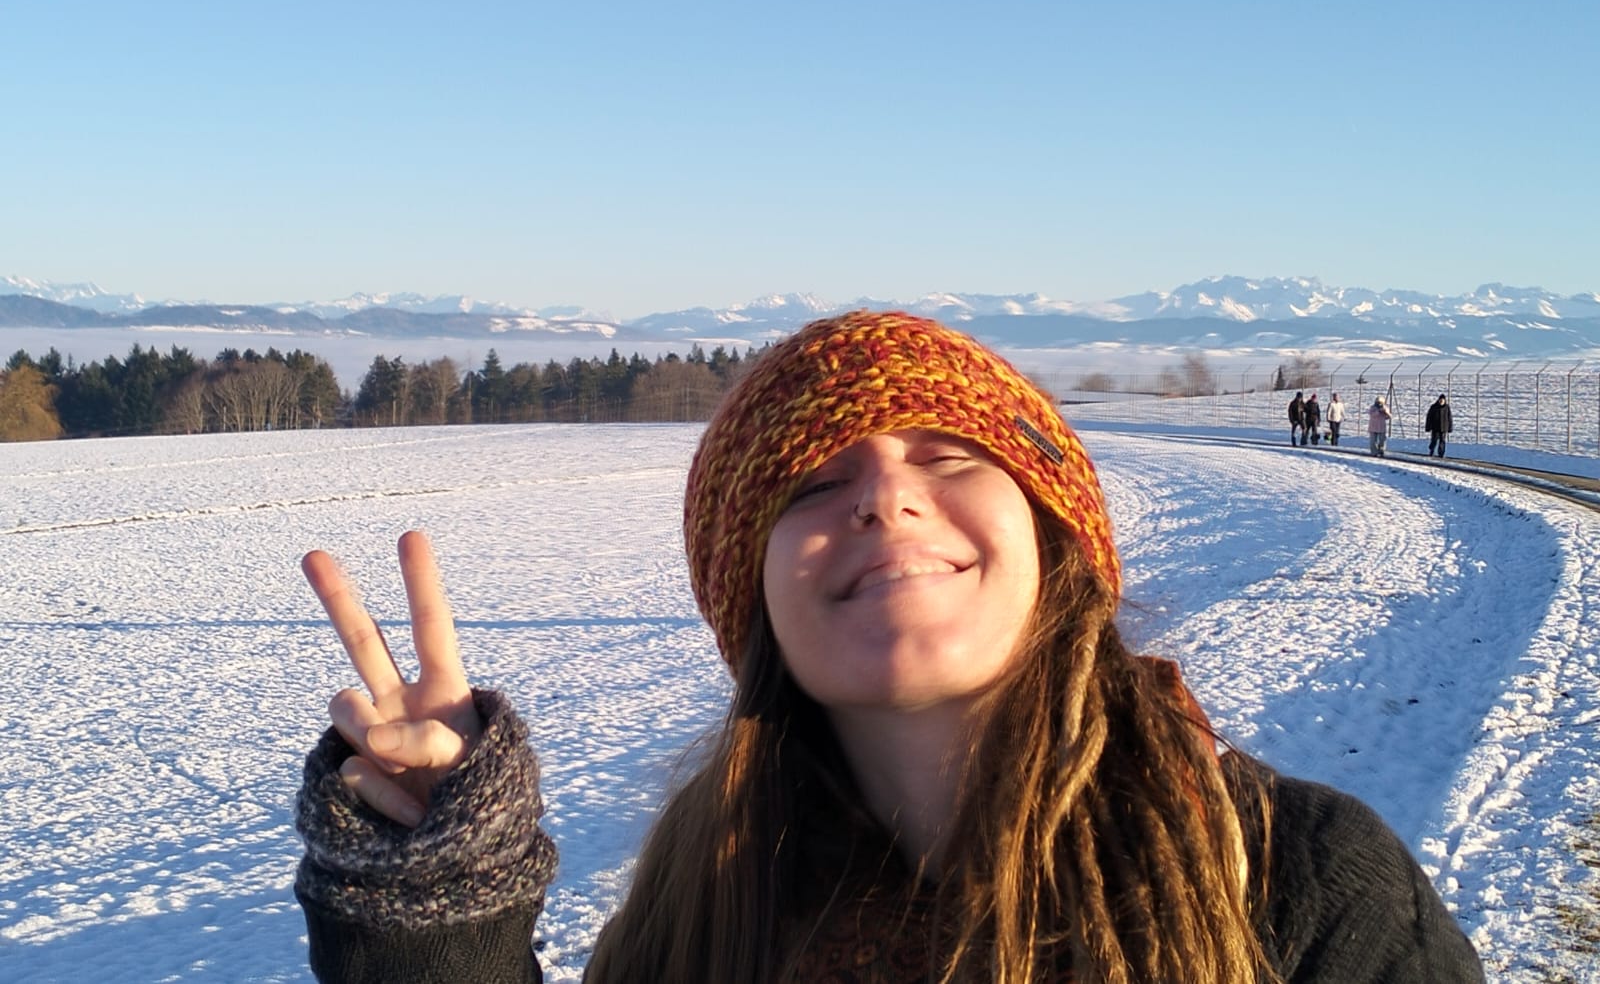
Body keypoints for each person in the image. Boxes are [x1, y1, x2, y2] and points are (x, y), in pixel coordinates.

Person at [293, 311, 1484, 983]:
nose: (885, 497)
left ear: (1055, 540)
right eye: (814, 484)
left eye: (951, 457)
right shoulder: (686, 928)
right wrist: (431, 908)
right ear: (752, 600)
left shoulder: (1291, 883)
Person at [1426, 393, 1454, 458]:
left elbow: (1449, 418)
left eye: (1443, 400)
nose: (1441, 401)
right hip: (1435, 427)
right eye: (1440, 400)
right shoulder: (1433, 407)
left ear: (1445, 400)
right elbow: (1429, 417)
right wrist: (1428, 427)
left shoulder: (1447, 407)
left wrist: (1450, 427)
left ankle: (1441, 454)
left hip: (1444, 428)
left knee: (1442, 441)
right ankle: (1431, 449)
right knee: (1434, 440)